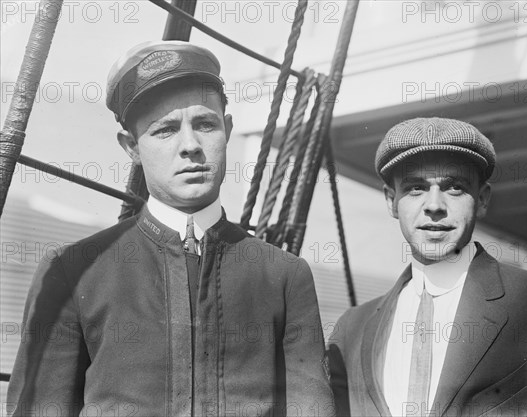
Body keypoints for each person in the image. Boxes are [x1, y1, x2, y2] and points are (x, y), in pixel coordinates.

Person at [7, 40, 334, 417]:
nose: (191, 146)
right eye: (165, 130)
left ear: (227, 129)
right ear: (131, 147)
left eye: (205, 124)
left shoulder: (284, 276)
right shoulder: (73, 272)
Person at [328, 117, 527, 416]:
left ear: (481, 200)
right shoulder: (351, 330)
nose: (434, 205)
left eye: (454, 187)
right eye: (415, 188)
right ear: (391, 201)